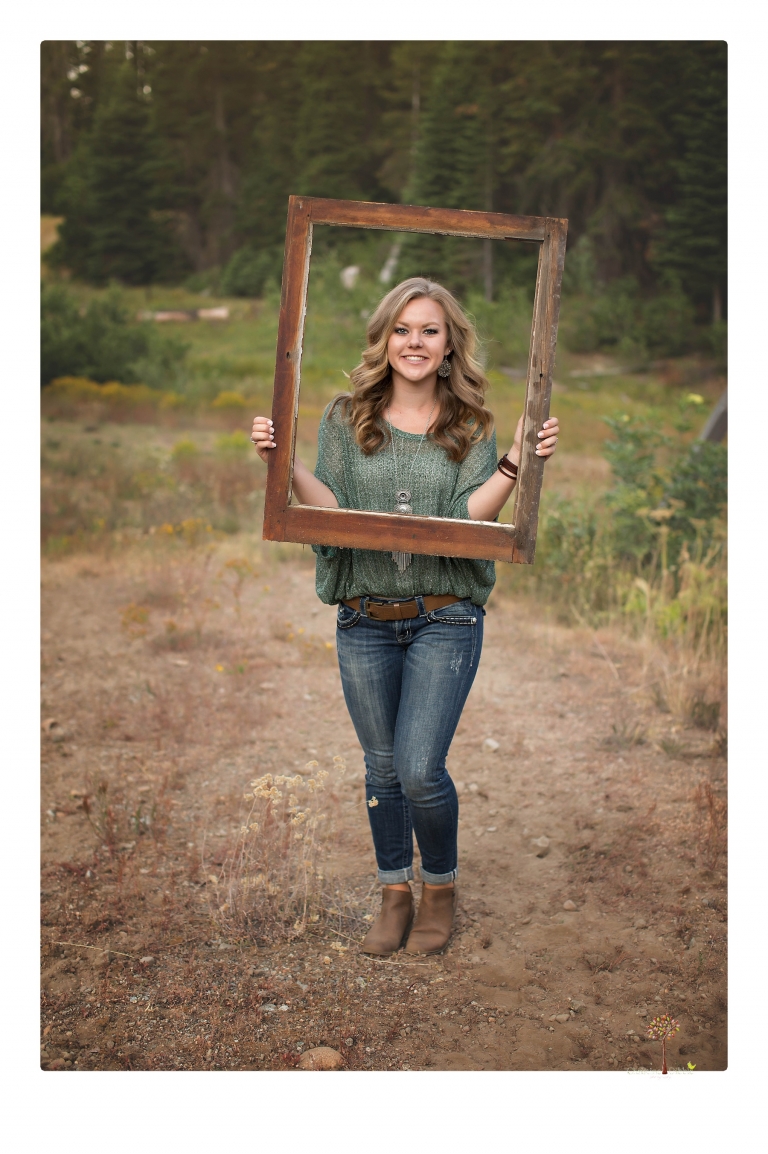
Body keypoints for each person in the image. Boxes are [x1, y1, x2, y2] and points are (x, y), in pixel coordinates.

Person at [251, 276, 559, 957]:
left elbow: (465, 520)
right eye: (401, 329)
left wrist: (515, 462)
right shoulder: (344, 416)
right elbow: (331, 509)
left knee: (420, 766)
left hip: (443, 618)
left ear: (449, 346)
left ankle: (440, 888)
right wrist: (284, 464)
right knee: (382, 769)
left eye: (428, 330)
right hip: (363, 617)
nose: (413, 342)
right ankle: (395, 891)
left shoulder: (469, 425)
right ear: (384, 339)